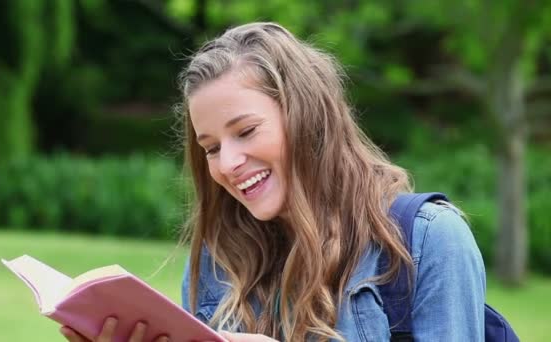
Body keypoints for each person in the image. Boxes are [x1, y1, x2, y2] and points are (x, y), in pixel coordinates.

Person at [61, 22, 486, 342]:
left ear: (308, 119)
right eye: (210, 148)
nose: (227, 163)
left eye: (245, 131)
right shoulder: (217, 260)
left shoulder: (428, 241)